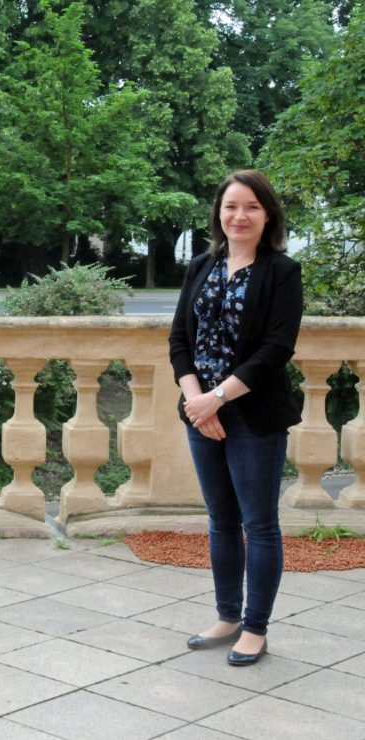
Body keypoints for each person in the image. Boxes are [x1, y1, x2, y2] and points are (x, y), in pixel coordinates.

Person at [168, 170, 303, 667]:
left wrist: (217, 398)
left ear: (268, 215)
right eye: (230, 206)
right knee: (220, 519)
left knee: (259, 523)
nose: (239, 216)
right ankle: (226, 616)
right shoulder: (201, 265)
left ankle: (256, 628)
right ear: (218, 214)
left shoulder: (282, 271)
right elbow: (180, 339)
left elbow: (275, 350)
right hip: (200, 412)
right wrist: (194, 400)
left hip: (254, 414)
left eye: (250, 207)